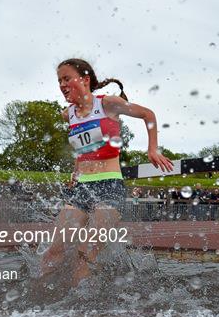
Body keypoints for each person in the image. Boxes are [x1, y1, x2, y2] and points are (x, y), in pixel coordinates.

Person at [41, 58, 173, 285]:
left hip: (109, 186)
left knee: (86, 252)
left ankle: (80, 305)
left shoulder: (107, 104)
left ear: (84, 80)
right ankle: (38, 293)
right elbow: (82, 148)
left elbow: (148, 114)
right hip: (82, 186)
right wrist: (75, 172)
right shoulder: (68, 114)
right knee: (54, 250)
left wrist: (152, 149)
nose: (62, 85)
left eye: (66, 78)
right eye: (59, 80)